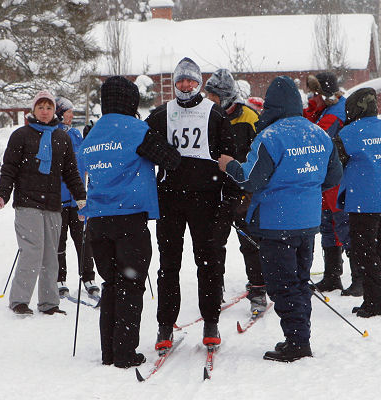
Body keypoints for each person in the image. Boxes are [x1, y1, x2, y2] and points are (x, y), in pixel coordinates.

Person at [218, 76, 342, 362]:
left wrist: (229, 165)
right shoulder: (319, 135)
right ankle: (299, 337)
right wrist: (305, 187)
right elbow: (333, 176)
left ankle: (297, 343)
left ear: (272, 105)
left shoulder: (271, 136)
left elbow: (251, 179)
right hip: (308, 222)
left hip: (276, 224)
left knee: (282, 285)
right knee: (299, 282)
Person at [77, 76, 180, 368]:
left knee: (111, 284)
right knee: (130, 285)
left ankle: (108, 352)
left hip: (97, 221)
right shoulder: (136, 130)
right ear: (130, 101)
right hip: (129, 219)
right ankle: (125, 353)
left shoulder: (92, 132)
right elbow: (171, 159)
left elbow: (80, 167)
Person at [145, 57, 235, 351]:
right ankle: (164, 326)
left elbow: (231, 160)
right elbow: (142, 144)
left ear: (199, 83)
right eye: (181, 81)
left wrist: (228, 203)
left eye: (191, 80)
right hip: (169, 200)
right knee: (168, 265)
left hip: (205, 199)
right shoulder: (161, 114)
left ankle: (210, 322)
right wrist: (163, 155)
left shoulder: (215, 114)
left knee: (208, 262)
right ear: (174, 84)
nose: (185, 85)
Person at [0, 90, 87, 316]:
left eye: (49, 108)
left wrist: (80, 197)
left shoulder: (62, 138)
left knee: (50, 254)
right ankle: (19, 301)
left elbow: (71, 172)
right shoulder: (21, 135)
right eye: (41, 107)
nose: (45, 112)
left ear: (54, 111)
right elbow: (9, 168)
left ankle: (49, 303)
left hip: (53, 204)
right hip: (27, 203)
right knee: (32, 250)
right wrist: (3, 194)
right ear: (33, 110)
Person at [204, 68, 267, 314]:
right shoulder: (206, 116)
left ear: (226, 96)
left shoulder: (249, 117)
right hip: (216, 190)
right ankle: (213, 290)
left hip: (244, 190)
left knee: (250, 242)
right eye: (208, 95)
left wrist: (252, 186)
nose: (209, 100)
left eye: (214, 96)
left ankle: (259, 290)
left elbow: (262, 153)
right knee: (213, 244)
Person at [335, 87, 381, 318]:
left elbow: (334, 166)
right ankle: (375, 300)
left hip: (363, 202)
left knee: (365, 254)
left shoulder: (348, 133)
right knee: (377, 253)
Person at [304, 72, 356, 296]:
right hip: (326, 179)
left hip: (339, 178)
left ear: (324, 95)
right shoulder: (325, 109)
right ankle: (332, 276)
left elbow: (315, 138)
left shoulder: (334, 113)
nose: (309, 98)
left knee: (344, 226)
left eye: (313, 94)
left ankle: (360, 277)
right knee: (328, 225)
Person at [54, 97, 99, 299]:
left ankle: (88, 277)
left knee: (84, 240)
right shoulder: (52, 134)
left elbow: (85, 160)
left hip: (78, 199)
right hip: (59, 197)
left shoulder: (75, 133)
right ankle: (59, 278)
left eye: (72, 111)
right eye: (68, 111)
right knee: (59, 241)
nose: (72, 115)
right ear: (59, 113)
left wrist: (91, 139)